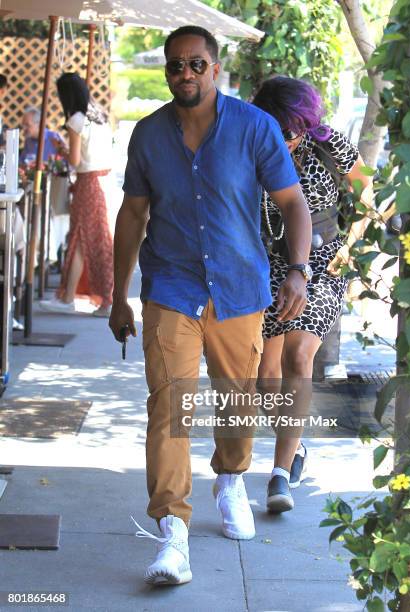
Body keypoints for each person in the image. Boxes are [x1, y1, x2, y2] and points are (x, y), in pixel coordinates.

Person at [109, 25, 312, 587]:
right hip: (170, 287)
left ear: (215, 68)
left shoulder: (255, 127)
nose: (185, 75)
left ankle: (230, 479)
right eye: (176, 66)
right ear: (167, 71)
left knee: (236, 398)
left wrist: (298, 270)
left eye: (196, 64)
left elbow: (293, 202)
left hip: (239, 289)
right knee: (169, 408)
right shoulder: (148, 135)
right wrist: (117, 295)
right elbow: (132, 215)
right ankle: (172, 531)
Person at [253, 76, 373, 514]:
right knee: (263, 375)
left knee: (299, 356)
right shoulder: (253, 147)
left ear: (305, 123)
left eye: (290, 129)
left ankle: (280, 475)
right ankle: (296, 445)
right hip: (266, 263)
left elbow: (369, 197)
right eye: (275, 129)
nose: (284, 138)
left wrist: (351, 251)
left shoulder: (329, 144)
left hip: (323, 263)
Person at [39, 72, 114, 317]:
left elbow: (75, 160)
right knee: (88, 241)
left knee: (85, 240)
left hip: (86, 183)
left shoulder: (76, 120)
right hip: (102, 181)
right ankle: (73, 296)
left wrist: (62, 148)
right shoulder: (99, 115)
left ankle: (82, 297)